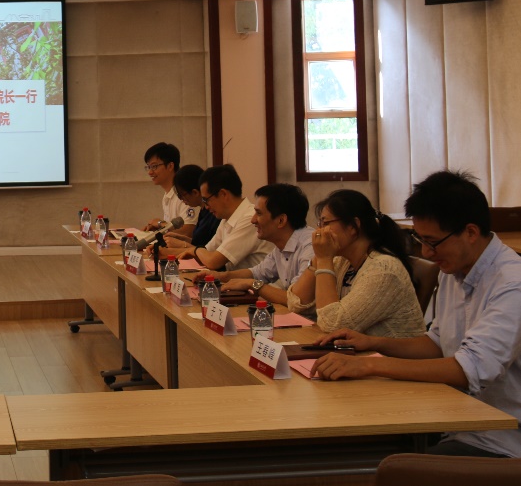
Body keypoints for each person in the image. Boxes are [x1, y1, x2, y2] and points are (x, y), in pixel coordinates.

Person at [312, 171, 521, 458]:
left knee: (391, 465)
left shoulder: (511, 284)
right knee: (346, 440)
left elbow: (469, 369)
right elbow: (437, 343)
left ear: (471, 233)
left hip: (500, 437)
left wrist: (369, 365)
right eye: (419, 239)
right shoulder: (454, 269)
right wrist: (373, 343)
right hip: (454, 418)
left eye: (432, 242)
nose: (426, 252)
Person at [288, 189, 424, 338]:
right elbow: (296, 304)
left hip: (387, 353)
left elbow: (333, 325)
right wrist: (318, 260)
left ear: (353, 226)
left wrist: (324, 259)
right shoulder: (342, 262)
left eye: (325, 223)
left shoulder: (384, 270)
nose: (319, 231)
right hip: (353, 350)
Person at [204, 183, 313, 307]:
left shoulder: (310, 247)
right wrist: (221, 276)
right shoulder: (281, 244)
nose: (253, 220)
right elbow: (258, 273)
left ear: (281, 220)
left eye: (259, 214)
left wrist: (253, 284)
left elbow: (297, 299)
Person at [172, 164, 270, 271]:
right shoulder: (226, 218)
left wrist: (195, 250)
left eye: (206, 200)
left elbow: (213, 261)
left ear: (223, 194)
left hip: (256, 281)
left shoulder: (249, 219)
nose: (206, 206)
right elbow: (207, 251)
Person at [140, 143, 197, 236]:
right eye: (148, 167)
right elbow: (172, 229)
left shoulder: (186, 194)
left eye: (154, 166)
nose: (150, 172)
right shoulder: (167, 195)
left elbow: (188, 232)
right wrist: (159, 229)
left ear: (170, 166)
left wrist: (160, 223)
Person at [170, 165, 219, 247]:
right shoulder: (203, 211)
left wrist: (183, 245)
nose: (182, 200)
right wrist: (180, 238)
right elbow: (198, 242)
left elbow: (209, 249)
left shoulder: (214, 213)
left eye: (182, 195)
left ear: (195, 192)